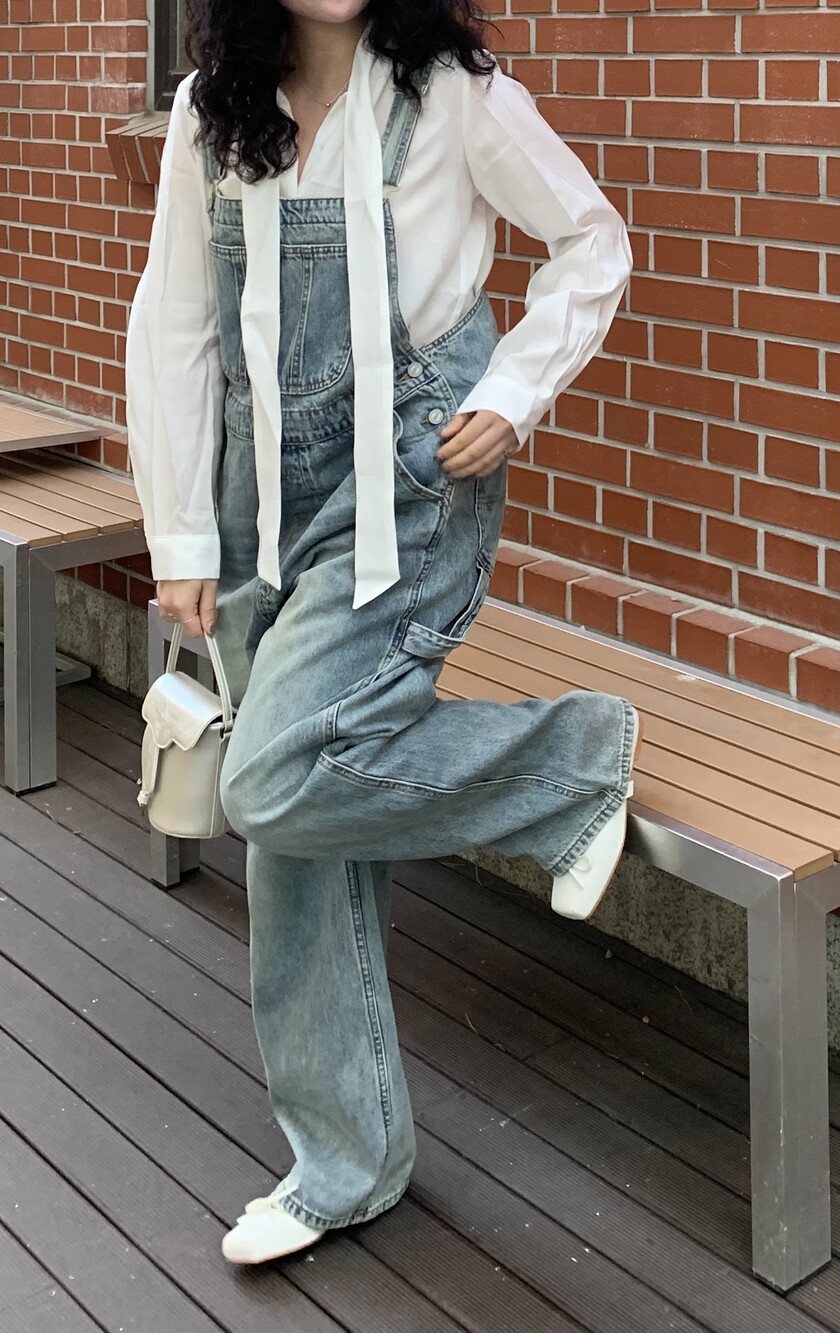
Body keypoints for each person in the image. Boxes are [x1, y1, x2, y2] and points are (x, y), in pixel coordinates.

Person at [127, 0, 638, 1268]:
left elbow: (590, 240)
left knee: (269, 779)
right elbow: (176, 323)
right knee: (296, 836)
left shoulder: (452, 92)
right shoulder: (208, 112)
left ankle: (571, 762)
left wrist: (514, 392)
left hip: (409, 486)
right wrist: (180, 529)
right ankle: (342, 1163)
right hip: (256, 494)